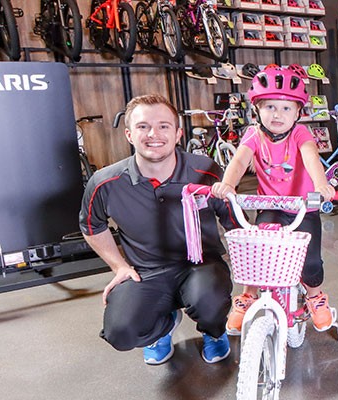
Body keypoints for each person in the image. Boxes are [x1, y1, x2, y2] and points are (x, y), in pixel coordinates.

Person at [79, 94, 235, 365]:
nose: (154, 134)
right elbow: (92, 226)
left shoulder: (207, 172)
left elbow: (233, 220)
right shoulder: (105, 182)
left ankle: (214, 331)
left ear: (178, 133)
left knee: (209, 300)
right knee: (120, 332)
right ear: (129, 134)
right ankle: (163, 325)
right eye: (143, 127)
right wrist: (119, 267)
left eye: (164, 126)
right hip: (145, 273)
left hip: (202, 266)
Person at [210, 67, 336, 334]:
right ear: (257, 110)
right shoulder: (254, 135)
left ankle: (314, 295)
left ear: (298, 113)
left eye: (286, 108)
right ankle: (248, 295)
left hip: (304, 205)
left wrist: (321, 183)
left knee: (310, 260)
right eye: (270, 107)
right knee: (259, 251)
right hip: (271, 206)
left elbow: (311, 156)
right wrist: (228, 183)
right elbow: (240, 159)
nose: (277, 114)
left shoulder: (301, 134)